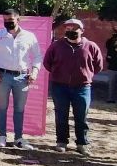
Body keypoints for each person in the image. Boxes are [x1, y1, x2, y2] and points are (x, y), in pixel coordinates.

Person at [0, 8, 43, 150]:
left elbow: (38, 56)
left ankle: (19, 138)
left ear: (18, 20)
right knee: (2, 106)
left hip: (22, 76)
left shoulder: (29, 36)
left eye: (11, 20)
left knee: (20, 108)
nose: (8, 23)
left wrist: (34, 72)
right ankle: (2, 135)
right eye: (5, 21)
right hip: (2, 76)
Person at [43, 19, 103, 156]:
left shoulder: (91, 46)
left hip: (82, 87)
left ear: (82, 30)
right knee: (61, 115)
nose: (71, 31)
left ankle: (82, 143)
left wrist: (86, 74)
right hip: (59, 86)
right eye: (68, 28)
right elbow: (47, 63)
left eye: (74, 29)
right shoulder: (56, 46)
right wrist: (59, 74)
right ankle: (61, 142)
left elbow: (98, 66)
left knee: (81, 116)